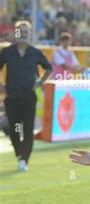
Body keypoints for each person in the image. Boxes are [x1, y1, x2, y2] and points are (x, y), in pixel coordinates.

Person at [0, 20, 52, 171]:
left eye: (25, 32)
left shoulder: (35, 52)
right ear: (15, 33)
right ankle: (19, 153)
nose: (22, 34)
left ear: (30, 34)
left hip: (29, 97)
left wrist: (40, 82)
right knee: (14, 129)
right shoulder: (7, 52)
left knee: (28, 130)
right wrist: (1, 85)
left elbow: (48, 68)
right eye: (20, 31)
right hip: (11, 97)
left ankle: (24, 159)